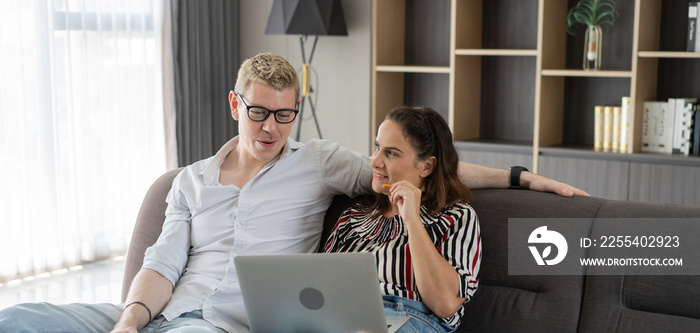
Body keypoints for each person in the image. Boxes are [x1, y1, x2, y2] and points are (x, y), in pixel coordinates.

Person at [0, 52, 587, 333]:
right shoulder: (192, 182)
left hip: (222, 326)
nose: (270, 129)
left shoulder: (323, 164)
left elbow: (424, 176)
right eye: (258, 113)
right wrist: (130, 320)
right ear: (236, 105)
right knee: (20, 319)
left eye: (284, 116)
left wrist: (519, 176)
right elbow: (161, 264)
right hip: (162, 312)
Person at [324, 106, 480, 333]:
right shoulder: (354, 217)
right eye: (377, 147)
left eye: (392, 153)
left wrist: (412, 221)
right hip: (344, 317)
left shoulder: (455, 217)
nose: (375, 161)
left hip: (410, 319)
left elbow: (445, 304)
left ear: (426, 166)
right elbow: (320, 286)